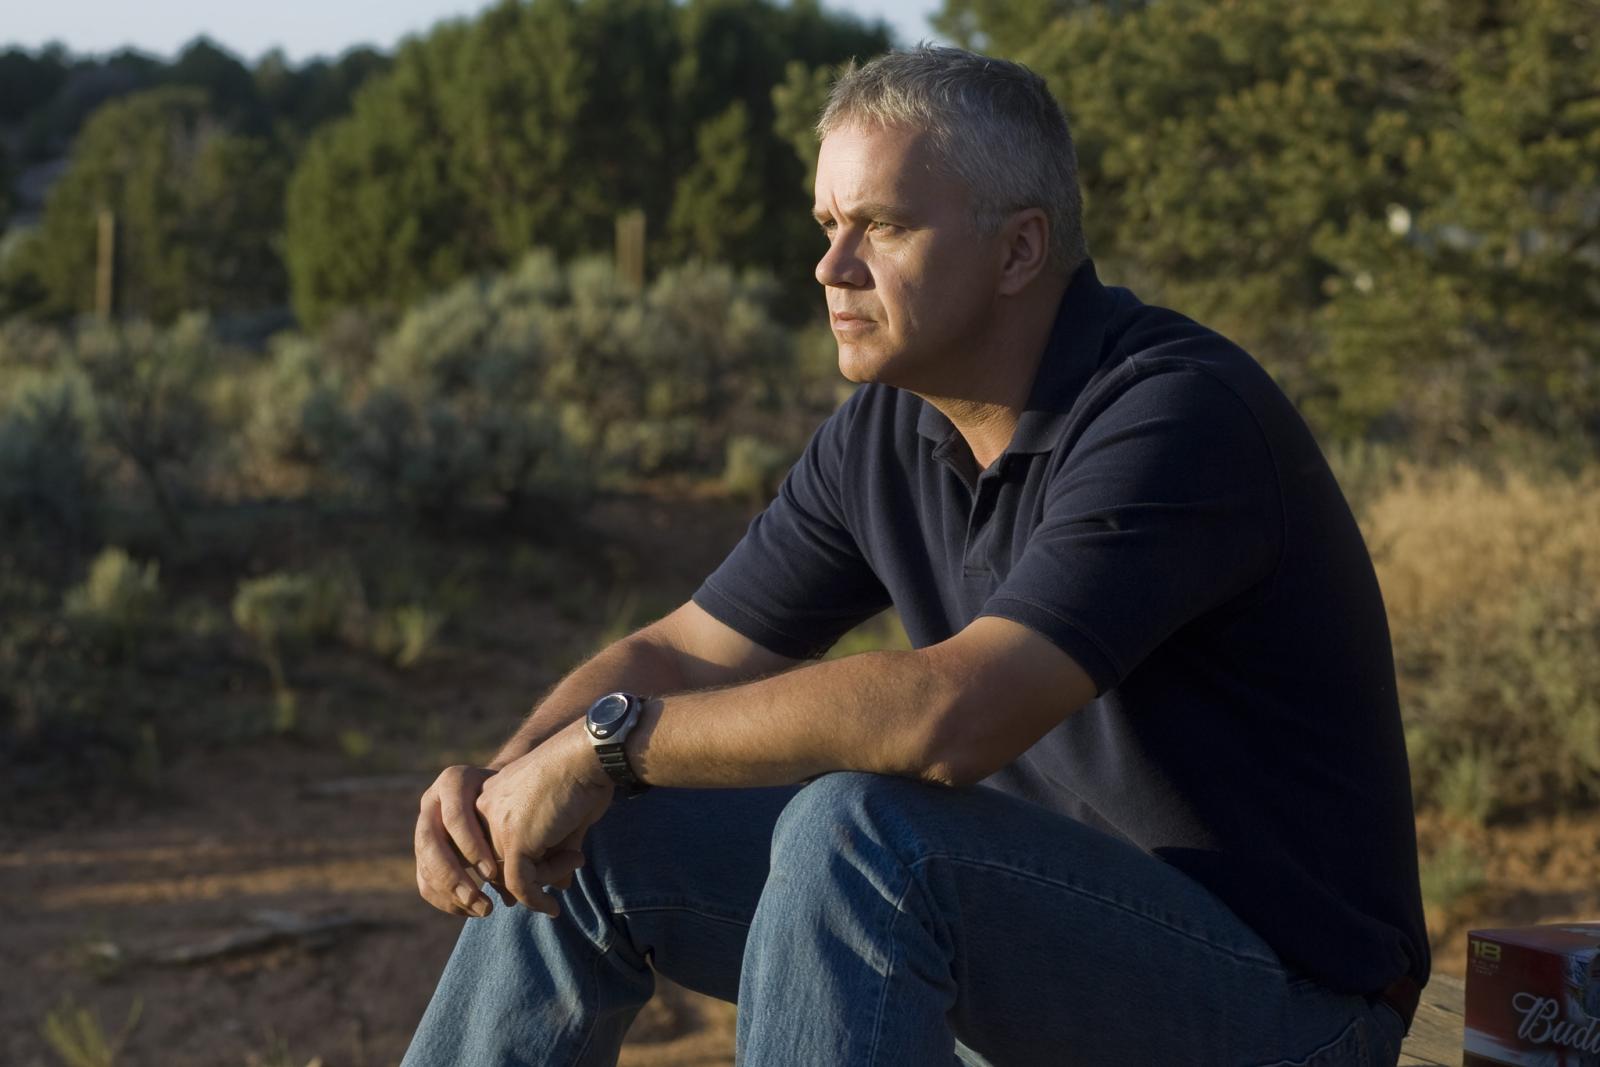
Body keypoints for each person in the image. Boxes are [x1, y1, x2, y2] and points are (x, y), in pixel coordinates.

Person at [402, 45, 1430, 1066]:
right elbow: (683, 652)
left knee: (858, 832)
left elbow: (953, 716)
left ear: (1019, 251)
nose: (831, 266)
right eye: (827, 225)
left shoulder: (1173, 412)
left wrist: (605, 746)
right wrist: (515, 774)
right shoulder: (887, 429)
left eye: (882, 226)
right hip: (1034, 942)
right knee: (595, 839)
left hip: (1287, 1007)